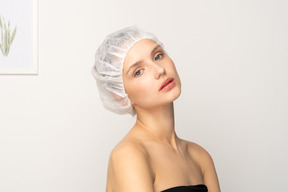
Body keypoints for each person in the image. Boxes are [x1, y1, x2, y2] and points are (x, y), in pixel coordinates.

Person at [92, 26, 221, 192]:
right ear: (120, 95)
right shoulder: (129, 155)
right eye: (138, 72)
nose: (160, 70)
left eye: (158, 56)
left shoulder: (199, 156)